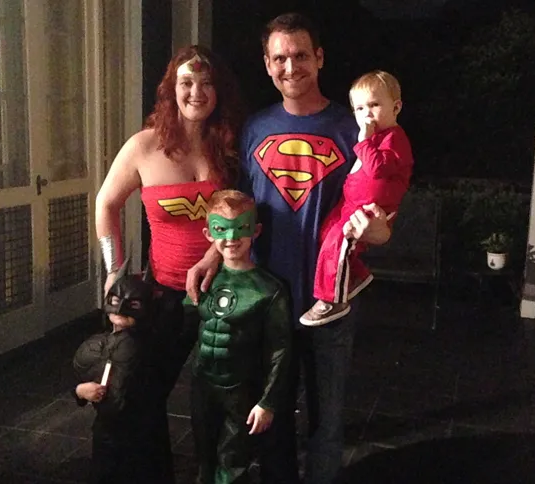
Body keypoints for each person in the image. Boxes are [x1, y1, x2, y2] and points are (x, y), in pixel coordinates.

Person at [187, 13, 391, 484]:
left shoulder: (352, 128)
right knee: (267, 413)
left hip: (330, 302)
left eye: (301, 55)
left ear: (319, 58)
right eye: (279, 57)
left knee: (327, 420)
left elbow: (378, 205)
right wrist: (211, 255)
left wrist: (379, 233)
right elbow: (236, 207)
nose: (290, 65)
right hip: (263, 299)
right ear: (267, 64)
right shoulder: (254, 128)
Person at [94, 45, 244, 483]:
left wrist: (215, 252)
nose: (197, 92)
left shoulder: (230, 144)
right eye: (186, 82)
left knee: (221, 396)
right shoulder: (144, 146)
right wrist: (114, 270)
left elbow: (244, 210)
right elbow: (106, 204)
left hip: (226, 292)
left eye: (206, 82)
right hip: (165, 294)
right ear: (170, 89)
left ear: (219, 90)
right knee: (144, 393)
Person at [183, 189, 292, 484]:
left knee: (234, 461)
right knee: (203, 458)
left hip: (242, 388)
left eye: (240, 228)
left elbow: (280, 350)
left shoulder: (269, 290)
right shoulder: (204, 279)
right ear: (208, 233)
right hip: (203, 382)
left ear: (255, 231)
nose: (231, 237)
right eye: (221, 228)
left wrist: (268, 402)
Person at [299, 70, 413, 326]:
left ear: (396, 107)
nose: (367, 114)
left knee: (341, 241)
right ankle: (356, 276)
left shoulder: (395, 138)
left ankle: (333, 299)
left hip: (370, 210)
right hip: (350, 203)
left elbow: (378, 169)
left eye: (374, 105)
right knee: (326, 234)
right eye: (359, 108)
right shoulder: (376, 138)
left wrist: (363, 142)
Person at [72, 263, 153, 484]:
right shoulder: (99, 344)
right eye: (116, 302)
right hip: (107, 427)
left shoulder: (147, 347)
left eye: (132, 304)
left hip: (137, 429)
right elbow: (81, 379)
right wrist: (80, 391)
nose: (120, 310)